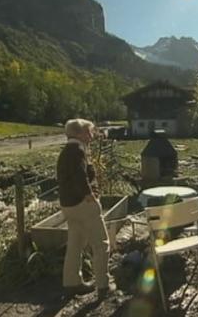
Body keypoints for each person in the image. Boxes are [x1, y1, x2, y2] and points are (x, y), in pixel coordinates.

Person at [56, 118, 113, 298]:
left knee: (75, 244)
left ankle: (72, 283)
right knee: (101, 244)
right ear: (79, 133)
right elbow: (80, 177)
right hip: (83, 203)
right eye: (89, 132)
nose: (92, 135)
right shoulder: (77, 150)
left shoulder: (67, 150)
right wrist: (90, 197)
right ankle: (104, 285)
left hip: (68, 204)